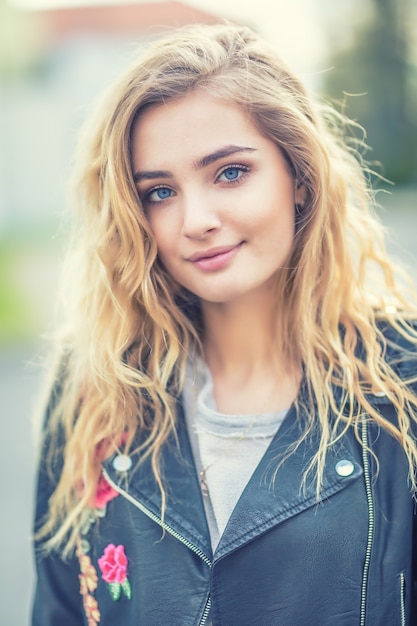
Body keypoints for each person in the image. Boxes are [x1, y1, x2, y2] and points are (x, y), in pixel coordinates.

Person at [32, 22, 417, 626]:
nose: (196, 219)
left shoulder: (404, 381)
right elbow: (58, 608)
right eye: (159, 192)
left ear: (300, 177)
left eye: (230, 172)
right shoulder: (96, 388)